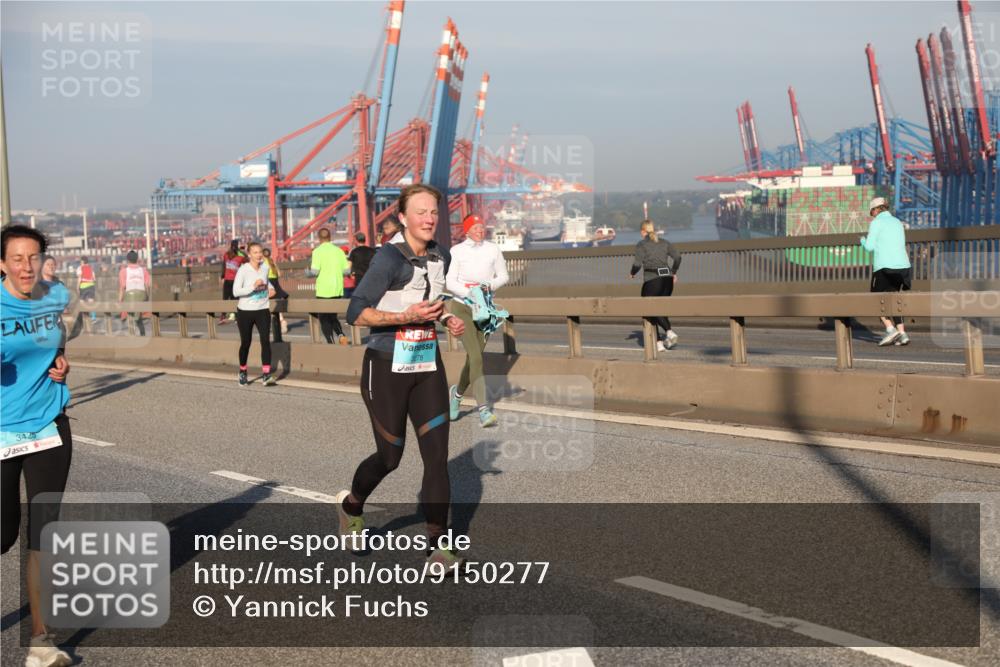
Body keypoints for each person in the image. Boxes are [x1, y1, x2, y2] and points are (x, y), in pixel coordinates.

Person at [339, 183, 466, 569]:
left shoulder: (441, 255)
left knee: (437, 458)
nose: (429, 219)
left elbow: (431, 301)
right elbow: (356, 313)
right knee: (390, 457)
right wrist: (404, 318)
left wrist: (446, 318)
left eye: (434, 212)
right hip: (386, 366)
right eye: (421, 212)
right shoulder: (388, 259)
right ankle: (351, 506)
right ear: (403, 217)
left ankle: (439, 547)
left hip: (426, 364)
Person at [1, 225, 74, 667]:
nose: (26, 267)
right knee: (3, 533)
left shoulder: (56, 295)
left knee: (43, 534)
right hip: (2, 428)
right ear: (2, 263)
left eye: (33, 257)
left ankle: (41, 641)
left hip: (49, 423)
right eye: (17, 259)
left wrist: (62, 362)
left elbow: (58, 339)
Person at [446, 214, 509, 427]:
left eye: (482, 227)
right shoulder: (457, 251)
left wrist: (487, 287)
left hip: (485, 309)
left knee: (474, 358)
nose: (480, 230)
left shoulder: (493, 249)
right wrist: (470, 292)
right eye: (475, 227)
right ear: (467, 230)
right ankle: (484, 410)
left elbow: (503, 276)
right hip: (462, 307)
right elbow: (449, 281)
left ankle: (456, 395)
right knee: (476, 357)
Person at [861, 196, 912, 346]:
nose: (873, 215)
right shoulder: (897, 222)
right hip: (903, 267)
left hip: (884, 267)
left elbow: (869, 247)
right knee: (894, 300)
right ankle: (902, 334)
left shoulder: (877, 223)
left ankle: (890, 330)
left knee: (876, 300)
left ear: (876, 210)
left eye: (872, 212)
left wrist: (862, 240)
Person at [630, 219, 682, 351]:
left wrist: (632, 273)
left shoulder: (642, 244)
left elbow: (637, 264)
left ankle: (669, 332)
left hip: (653, 280)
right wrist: (674, 272)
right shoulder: (664, 242)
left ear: (643, 232)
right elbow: (677, 257)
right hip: (667, 280)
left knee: (649, 309)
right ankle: (659, 343)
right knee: (660, 309)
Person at [232, 242, 277, 386]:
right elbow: (236, 292)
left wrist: (271, 289)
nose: (259, 255)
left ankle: (266, 374)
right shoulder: (243, 270)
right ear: (249, 255)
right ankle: (243, 371)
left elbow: (266, 283)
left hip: (262, 310)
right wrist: (253, 286)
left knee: (265, 341)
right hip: (245, 311)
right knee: (246, 342)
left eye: (260, 252)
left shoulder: (264, 268)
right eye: (255, 252)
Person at [309, 228, 350, 345]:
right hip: (337, 288)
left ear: (318, 238)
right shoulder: (339, 251)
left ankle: (330, 342)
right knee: (332, 316)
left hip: (323, 290)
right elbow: (347, 271)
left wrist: (308, 272)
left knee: (324, 318)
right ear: (330, 237)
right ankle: (341, 335)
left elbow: (315, 272)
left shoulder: (317, 251)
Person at [117, 250, 151, 337]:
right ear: (137, 259)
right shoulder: (143, 270)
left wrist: (120, 301)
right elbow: (147, 286)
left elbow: (122, 288)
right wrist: (147, 297)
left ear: (127, 260)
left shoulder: (123, 271)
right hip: (142, 294)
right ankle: (142, 333)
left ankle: (132, 335)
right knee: (138, 315)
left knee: (130, 314)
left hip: (130, 295)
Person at [262, 248, 288, 341]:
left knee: (266, 305)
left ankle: (268, 325)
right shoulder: (272, 261)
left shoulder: (262, 262)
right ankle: (282, 322)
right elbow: (279, 274)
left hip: (268, 284)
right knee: (276, 305)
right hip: (275, 283)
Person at [220, 239, 246, 323]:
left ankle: (223, 315)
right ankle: (236, 316)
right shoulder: (240, 256)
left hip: (227, 280)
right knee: (235, 299)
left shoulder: (226, 255)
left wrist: (222, 276)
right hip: (236, 280)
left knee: (225, 298)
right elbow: (248, 261)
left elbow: (224, 266)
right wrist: (242, 250)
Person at [76, 255, 97, 323]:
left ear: (82, 262)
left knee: (82, 302)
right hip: (91, 286)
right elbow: (94, 279)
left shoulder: (80, 268)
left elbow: (79, 278)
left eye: (80, 262)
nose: (80, 263)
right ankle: (93, 318)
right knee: (91, 302)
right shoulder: (91, 268)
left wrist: (77, 287)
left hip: (83, 286)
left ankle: (84, 318)